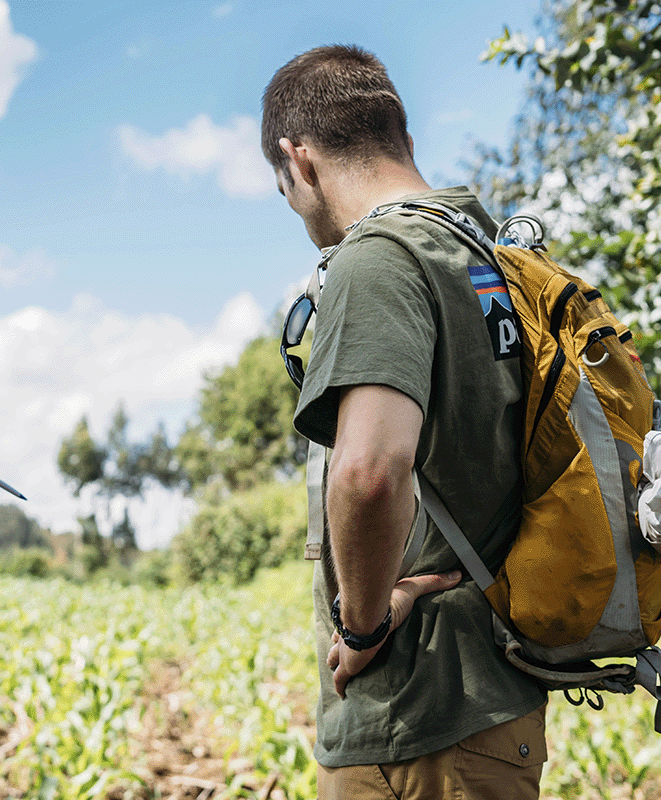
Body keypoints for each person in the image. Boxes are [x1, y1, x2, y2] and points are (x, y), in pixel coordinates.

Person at [263, 46, 548, 799]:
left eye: (283, 187)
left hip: (415, 720)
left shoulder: (378, 259)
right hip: (496, 707)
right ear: (405, 142)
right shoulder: (485, 256)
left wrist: (361, 627)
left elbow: (368, 472)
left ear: (299, 161)